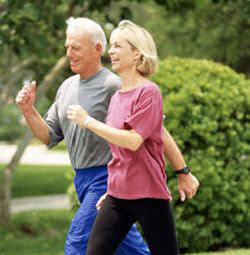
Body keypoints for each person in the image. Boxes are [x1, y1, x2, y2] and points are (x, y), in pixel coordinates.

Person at [16, 17, 199, 255]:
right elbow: (49, 136)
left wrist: (183, 171)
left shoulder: (122, 87)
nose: (69, 53)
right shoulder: (75, 88)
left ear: (97, 49)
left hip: (119, 181)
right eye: (67, 47)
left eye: (76, 47)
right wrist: (29, 111)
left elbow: (153, 134)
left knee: (78, 243)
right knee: (125, 250)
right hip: (112, 185)